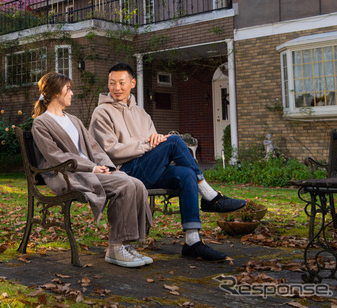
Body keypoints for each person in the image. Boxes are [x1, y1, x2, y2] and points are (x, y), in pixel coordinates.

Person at [89, 63, 246, 261]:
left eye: (122, 83)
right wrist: (147, 145)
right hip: (125, 172)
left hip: (148, 168)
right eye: (112, 83)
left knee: (185, 174)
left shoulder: (141, 113)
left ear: (132, 83)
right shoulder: (101, 112)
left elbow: (154, 141)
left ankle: (192, 241)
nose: (117, 88)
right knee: (173, 140)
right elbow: (111, 151)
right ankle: (209, 195)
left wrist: (154, 141)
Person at [31, 72, 153, 268]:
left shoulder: (73, 119)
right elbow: (56, 156)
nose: (72, 93)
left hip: (91, 170)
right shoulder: (41, 123)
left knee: (136, 184)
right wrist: (92, 167)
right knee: (125, 185)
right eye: (68, 89)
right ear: (55, 93)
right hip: (69, 174)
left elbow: (94, 147)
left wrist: (106, 167)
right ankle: (115, 247)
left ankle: (127, 244)